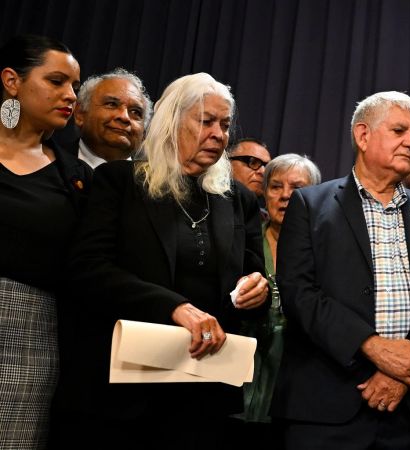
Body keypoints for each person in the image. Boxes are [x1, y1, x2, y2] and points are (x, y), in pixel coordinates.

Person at [57, 73, 269, 448]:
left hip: (202, 390)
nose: (220, 134)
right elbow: (88, 268)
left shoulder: (238, 200)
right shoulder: (119, 181)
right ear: (172, 121)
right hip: (122, 390)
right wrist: (176, 307)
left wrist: (259, 291)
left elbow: (254, 277)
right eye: (206, 121)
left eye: (224, 124)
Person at [271, 91, 410, 449]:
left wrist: (405, 370)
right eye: (399, 131)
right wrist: (372, 346)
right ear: (363, 136)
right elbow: (299, 294)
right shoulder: (310, 205)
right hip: (328, 409)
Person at [0, 34, 88, 448]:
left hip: (30, 339)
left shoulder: (76, 178)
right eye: (56, 81)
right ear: (11, 81)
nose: (70, 95)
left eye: (74, 85)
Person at [236, 153, 321, 446]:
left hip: (294, 387)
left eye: (297, 188)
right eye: (276, 186)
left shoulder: (324, 251)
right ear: (264, 192)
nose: (285, 196)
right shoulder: (242, 241)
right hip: (239, 377)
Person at [72, 68, 152, 168]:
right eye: (112, 104)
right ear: (80, 113)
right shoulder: (49, 165)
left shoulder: (154, 182)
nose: (124, 117)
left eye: (135, 112)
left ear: (144, 133)